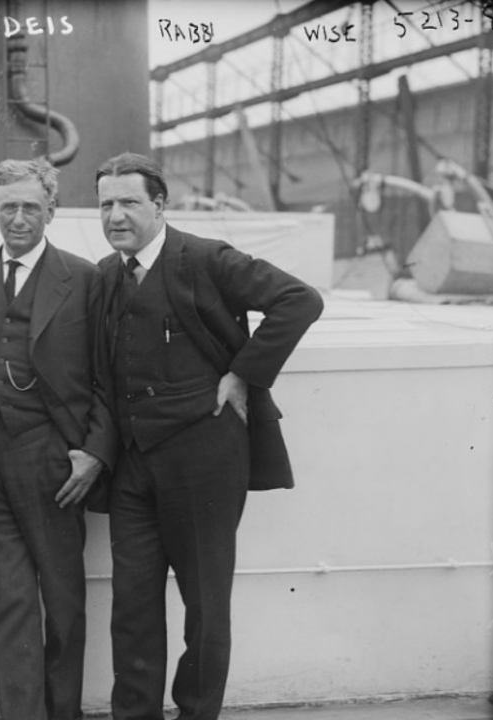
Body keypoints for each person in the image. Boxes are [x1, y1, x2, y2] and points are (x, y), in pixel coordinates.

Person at [95, 152, 323, 720]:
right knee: (133, 606)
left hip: (204, 456)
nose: (116, 215)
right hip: (132, 463)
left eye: (129, 202)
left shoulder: (204, 257)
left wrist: (244, 373)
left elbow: (300, 300)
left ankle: (197, 713)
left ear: (160, 205)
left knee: (205, 606)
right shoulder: (106, 274)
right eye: (106, 204)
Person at [0, 157, 116, 720]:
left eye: (30, 207)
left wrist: (96, 453)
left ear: (51, 211)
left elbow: (114, 374)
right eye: (7, 206)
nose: (18, 218)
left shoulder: (86, 278)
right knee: (10, 604)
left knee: (63, 602)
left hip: (57, 465)